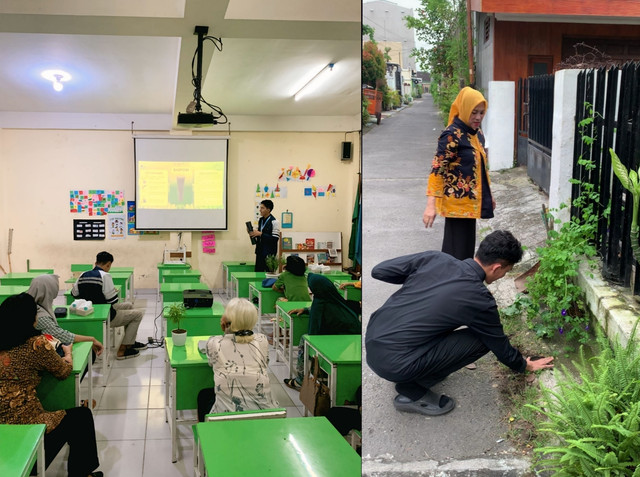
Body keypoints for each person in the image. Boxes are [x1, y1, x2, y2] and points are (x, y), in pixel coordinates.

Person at [365, 230, 554, 416]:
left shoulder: (435, 258)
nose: (503, 276)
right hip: (394, 365)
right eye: (506, 271)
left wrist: (417, 283)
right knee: (482, 340)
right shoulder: (479, 299)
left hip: (372, 338)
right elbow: (499, 344)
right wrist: (524, 365)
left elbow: (379, 271)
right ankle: (413, 391)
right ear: (496, 268)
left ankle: (416, 368)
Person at [0, 293, 102, 477]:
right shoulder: (36, 344)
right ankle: (81, 474)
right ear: (30, 319)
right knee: (81, 418)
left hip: (3, 433)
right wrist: (68, 353)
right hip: (26, 430)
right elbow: (63, 372)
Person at [422, 86, 496, 260]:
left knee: (465, 254)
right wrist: (430, 205)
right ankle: (450, 285)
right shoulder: (451, 135)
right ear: (464, 109)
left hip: (470, 206)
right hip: (456, 207)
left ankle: (457, 284)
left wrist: (489, 195)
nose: (478, 117)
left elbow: (481, 167)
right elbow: (437, 170)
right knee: (455, 254)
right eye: (474, 112)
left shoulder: (477, 135)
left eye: (482, 112)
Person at [196, 298, 278, 422]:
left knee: (203, 395)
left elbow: (211, 361)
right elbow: (264, 363)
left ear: (228, 320)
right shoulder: (262, 340)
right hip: (265, 415)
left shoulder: (214, 343)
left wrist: (225, 331)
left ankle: (203, 435)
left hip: (227, 417)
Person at [283, 273, 361, 390]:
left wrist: (313, 352)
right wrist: (306, 309)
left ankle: (300, 380)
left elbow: (313, 334)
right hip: (354, 343)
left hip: (340, 344)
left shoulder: (319, 303)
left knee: (305, 340)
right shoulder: (336, 298)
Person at [71, 251, 145, 360]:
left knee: (128, 305)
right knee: (138, 314)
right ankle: (123, 350)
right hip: (104, 315)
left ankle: (130, 342)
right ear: (108, 264)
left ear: (95, 262)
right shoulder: (105, 276)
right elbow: (112, 300)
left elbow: (74, 294)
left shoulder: (83, 274)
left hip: (88, 312)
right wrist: (111, 290)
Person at [27, 274, 104, 361]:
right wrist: (92, 339)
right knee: (88, 354)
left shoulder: (26, 304)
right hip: (34, 357)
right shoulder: (39, 315)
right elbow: (62, 336)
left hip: (29, 352)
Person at [249, 199, 280, 272]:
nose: (260, 210)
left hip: (269, 254)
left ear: (268, 209)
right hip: (259, 252)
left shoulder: (275, 222)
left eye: (262, 208)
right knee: (258, 273)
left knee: (268, 275)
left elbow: (275, 239)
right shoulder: (261, 220)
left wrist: (261, 234)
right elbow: (260, 235)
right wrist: (253, 232)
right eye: (260, 208)